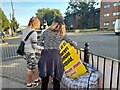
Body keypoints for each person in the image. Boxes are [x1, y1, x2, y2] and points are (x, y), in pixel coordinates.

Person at [38, 15, 77, 90]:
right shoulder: (62, 34)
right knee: (56, 80)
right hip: (56, 58)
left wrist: (47, 45)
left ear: (54, 22)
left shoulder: (46, 31)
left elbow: (39, 42)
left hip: (45, 56)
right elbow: (73, 44)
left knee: (45, 80)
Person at [22, 17, 44, 88]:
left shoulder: (24, 30)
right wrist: (42, 48)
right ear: (35, 23)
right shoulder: (33, 32)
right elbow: (34, 46)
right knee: (30, 69)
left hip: (25, 52)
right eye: (38, 24)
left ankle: (37, 79)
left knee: (33, 66)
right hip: (30, 52)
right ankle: (29, 84)